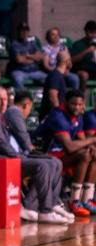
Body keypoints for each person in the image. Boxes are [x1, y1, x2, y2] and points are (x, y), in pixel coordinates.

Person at [0, 86, 68, 223]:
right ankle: (44, 211)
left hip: (4, 156)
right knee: (44, 165)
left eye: (5, 99)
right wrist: (20, 156)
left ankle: (43, 205)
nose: (3, 103)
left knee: (55, 162)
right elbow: (2, 145)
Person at [35, 90, 96, 220]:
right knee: (84, 155)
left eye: (80, 104)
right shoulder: (58, 116)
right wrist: (92, 140)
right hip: (43, 154)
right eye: (74, 104)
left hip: (60, 154)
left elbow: (83, 140)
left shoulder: (77, 116)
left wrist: (92, 147)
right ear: (66, 103)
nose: (77, 107)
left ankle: (87, 200)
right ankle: (74, 201)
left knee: (92, 153)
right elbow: (69, 146)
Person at [8, 23, 47, 91]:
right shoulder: (14, 44)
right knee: (18, 80)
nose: (24, 33)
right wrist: (34, 58)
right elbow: (19, 60)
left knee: (48, 78)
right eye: (22, 31)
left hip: (34, 71)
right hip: (19, 71)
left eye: (26, 31)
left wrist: (28, 56)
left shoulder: (32, 44)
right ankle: (22, 97)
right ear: (18, 32)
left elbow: (40, 57)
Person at [39, 50, 73, 120]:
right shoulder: (55, 75)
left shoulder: (58, 75)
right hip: (51, 118)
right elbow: (53, 97)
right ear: (67, 61)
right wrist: (59, 115)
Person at [70, 20, 96, 90]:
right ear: (86, 32)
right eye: (91, 32)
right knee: (84, 75)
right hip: (81, 69)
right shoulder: (78, 44)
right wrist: (86, 51)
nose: (93, 35)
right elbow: (71, 60)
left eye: (95, 32)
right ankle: (81, 95)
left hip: (93, 69)